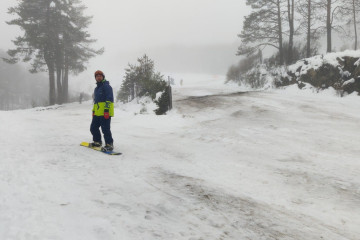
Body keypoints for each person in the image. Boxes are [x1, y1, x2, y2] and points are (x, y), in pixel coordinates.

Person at [90, 70, 115, 151]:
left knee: (105, 129)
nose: (98, 77)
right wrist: (93, 111)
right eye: (97, 76)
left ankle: (109, 144)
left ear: (103, 77)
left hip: (105, 112)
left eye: (100, 76)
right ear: (95, 78)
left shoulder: (107, 86)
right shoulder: (96, 89)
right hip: (97, 112)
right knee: (93, 127)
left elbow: (109, 99)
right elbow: (95, 101)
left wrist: (107, 110)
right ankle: (97, 141)